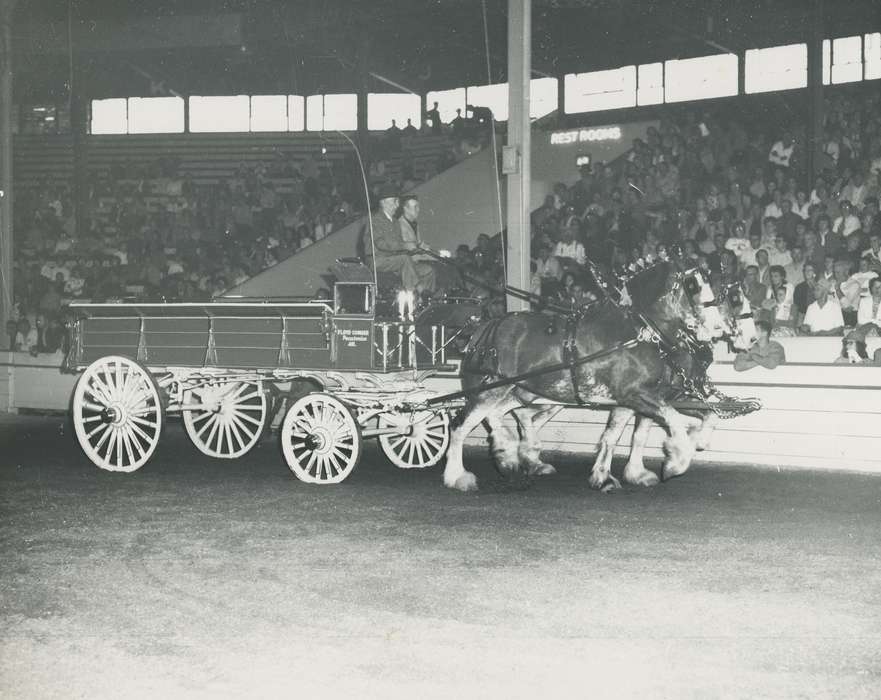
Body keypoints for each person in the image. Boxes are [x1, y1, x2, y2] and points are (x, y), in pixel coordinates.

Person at [368, 185, 435, 296]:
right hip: (378, 260)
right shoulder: (375, 220)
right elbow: (380, 244)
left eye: (398, 201)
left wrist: (416, 247)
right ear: (383, 202)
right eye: (394, 201)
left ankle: (428, 300)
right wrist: (405, 246)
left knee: (428, 270)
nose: (397, 205)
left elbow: (401, 247)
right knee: (404, 259)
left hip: (395, 260)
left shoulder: (395, 222)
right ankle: (416, 294)